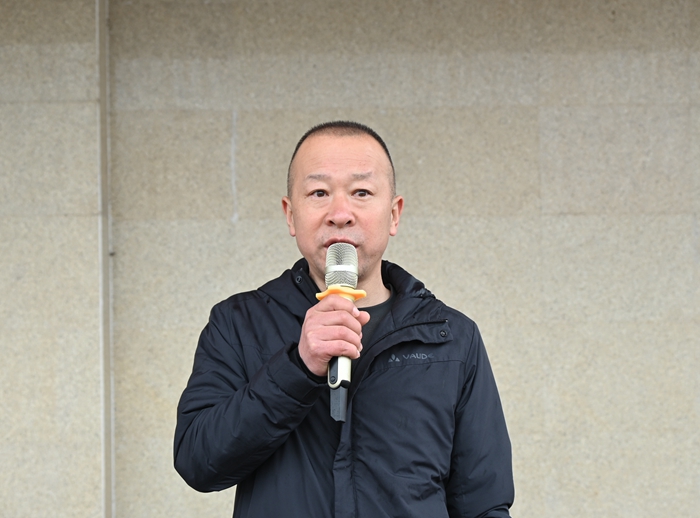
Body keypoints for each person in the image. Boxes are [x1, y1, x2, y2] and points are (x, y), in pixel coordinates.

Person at [174, 121, 514, 517]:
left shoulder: (450, 338)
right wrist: (297, 367)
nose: (340, 214)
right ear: (290, 215)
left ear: (394, 214)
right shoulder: (239, 323)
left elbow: (484, 503)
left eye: (361, 193)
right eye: (319, 193)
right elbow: (198, 461)